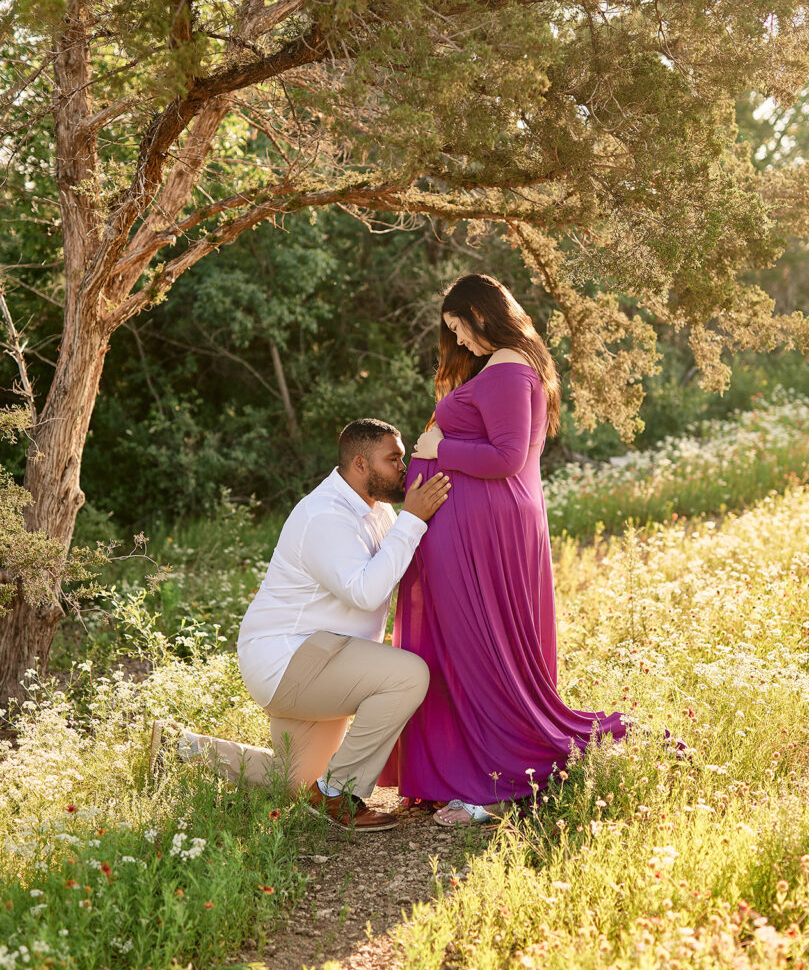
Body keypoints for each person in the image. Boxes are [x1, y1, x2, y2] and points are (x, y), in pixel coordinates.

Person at [379, 274, 627, 826]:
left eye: (459, 328)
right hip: (473, 527)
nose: (459, 341)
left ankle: (491, 784)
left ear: (481, 313)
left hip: (484, 533)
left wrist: (443, 446)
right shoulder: (505, 365)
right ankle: (459, 770)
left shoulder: (511, 364)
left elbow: (509, 457)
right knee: (463, 651)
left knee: (481, 652)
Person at [151, 418, 451, 832]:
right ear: (361, 464)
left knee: (295, 781)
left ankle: (180, 748)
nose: (402, 467)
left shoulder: (377, 510)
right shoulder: (324, 515)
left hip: (320, 658)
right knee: (408, 675)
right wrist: (413, 520)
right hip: (290, 659)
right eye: (393, 458)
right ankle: (339, 796)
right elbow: (364, 592)